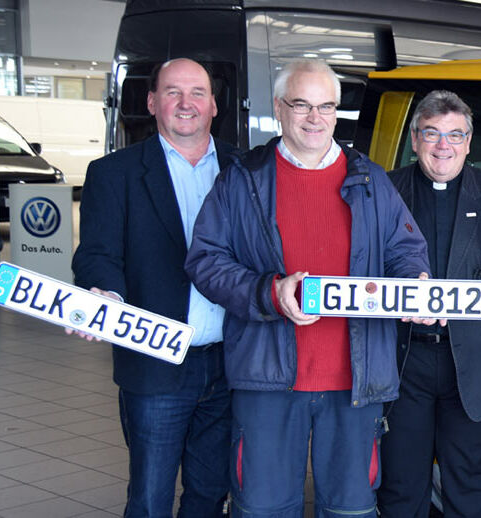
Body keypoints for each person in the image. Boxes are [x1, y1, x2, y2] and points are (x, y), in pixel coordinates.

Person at [183, 59, 432, 517]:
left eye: (326, 106)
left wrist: (414, 284)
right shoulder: (243, 179)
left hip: (355, 381)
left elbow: (405, 251)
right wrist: (269, 293)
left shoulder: (371, 179)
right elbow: (205, 260)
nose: (315, 117)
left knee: (351, 510)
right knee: (262, 508)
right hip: (268, 379)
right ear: (279, 108)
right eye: (301, 105)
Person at [71, 57, 237, 518]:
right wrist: (104, 294)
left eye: (198, 93)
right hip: (154, 360)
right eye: (172, 92)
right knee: (150, 497)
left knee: (211, 492)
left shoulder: (244, 169)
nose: (187, 104)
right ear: (151, 102)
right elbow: (97, 254)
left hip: (230, 363)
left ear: (214, 105)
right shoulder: (114, 173)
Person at [377, 90, 481, 517]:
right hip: (403, 360)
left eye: (455, 134)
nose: (443, 145)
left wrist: (476, 293)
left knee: (470, 484)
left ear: (469, 142)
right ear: (415, 139)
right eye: (431, 133)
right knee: (399, 484)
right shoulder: (383, 193)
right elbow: (360, 262)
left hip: (478, 364)